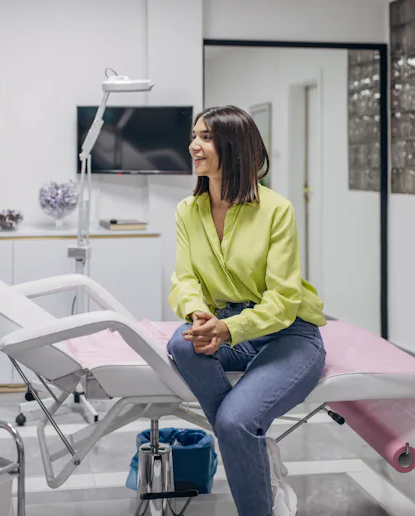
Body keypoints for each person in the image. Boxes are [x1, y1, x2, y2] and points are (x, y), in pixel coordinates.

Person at [166, 106, 327, 516]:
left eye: (204, 137)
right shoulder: (189, 210)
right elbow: (185, 279)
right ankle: (248, 440)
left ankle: (243, 434)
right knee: (182, 345)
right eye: (194, 136)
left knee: (236, 423)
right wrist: (199, 316)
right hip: (230, 327)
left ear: (232, 148)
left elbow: (284, 300)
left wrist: (229, 328)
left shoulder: (276, 209)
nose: (193, 146)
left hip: (288, 333)